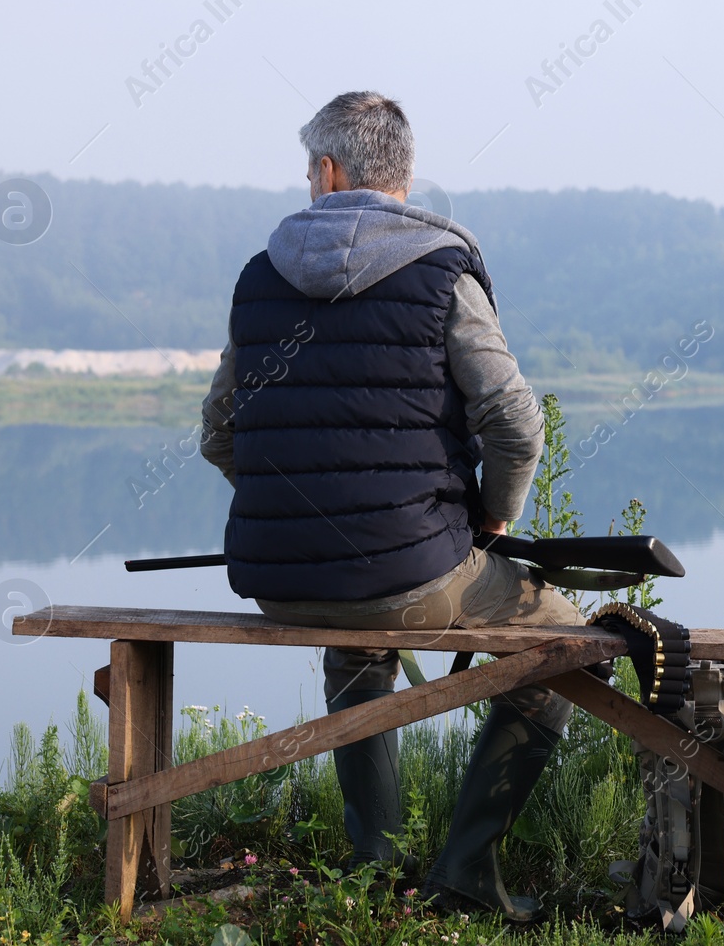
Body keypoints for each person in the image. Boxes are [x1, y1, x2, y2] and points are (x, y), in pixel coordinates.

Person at [198, 91, 579, 923]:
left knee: (355, 647)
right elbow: (515, 422)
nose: (305, 181)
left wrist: (295, 513)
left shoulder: (260, 277)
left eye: (308, 168)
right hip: (415, 568)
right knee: (568, 645)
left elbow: (220, 435)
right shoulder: (442, 270)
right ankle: (466, 871)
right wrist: (492, 518)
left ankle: (373, 871)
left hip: (275, 576)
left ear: (330, 172)